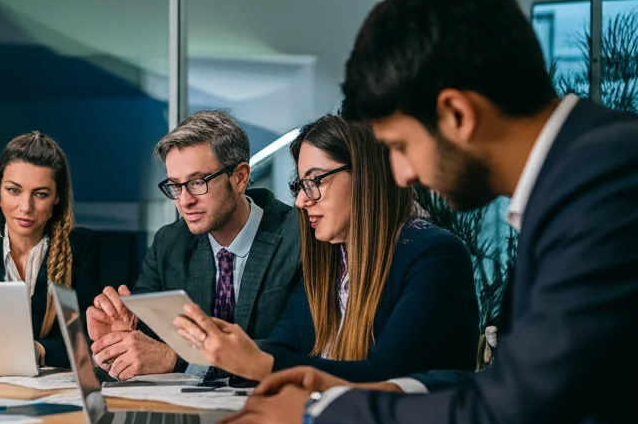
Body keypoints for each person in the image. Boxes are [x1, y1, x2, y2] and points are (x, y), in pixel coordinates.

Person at [221, 0, 638, 424]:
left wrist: (320, 413)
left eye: (397, 145)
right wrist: (376, 388)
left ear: (457, 114)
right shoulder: (583, 171)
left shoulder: (604, 183)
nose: (403, 174)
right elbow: (512, 388)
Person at [172, 114, 478, 382]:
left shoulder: (435, 256)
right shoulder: (331, 258)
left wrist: (261, 364)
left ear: (366, 176)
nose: (302, 201)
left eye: (315, 181)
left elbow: (386, 376)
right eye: (300, 186)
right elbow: (284, 347)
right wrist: (229, 348)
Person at [86, 109, 300, 380]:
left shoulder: (297, 236)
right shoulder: (169, 243)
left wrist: (179, 359)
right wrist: (123, 338)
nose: (184, 201)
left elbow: (296, 349)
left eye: (197, 182)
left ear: (240, 177)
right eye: (176, 186)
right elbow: (150, 344)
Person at [0, 131, 100, 369]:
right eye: (14, 190)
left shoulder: (79, 246)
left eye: (40, 194)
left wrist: (40, 351)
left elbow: (90, 339)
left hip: (54, 386)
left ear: (57, 198)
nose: (25, 207)